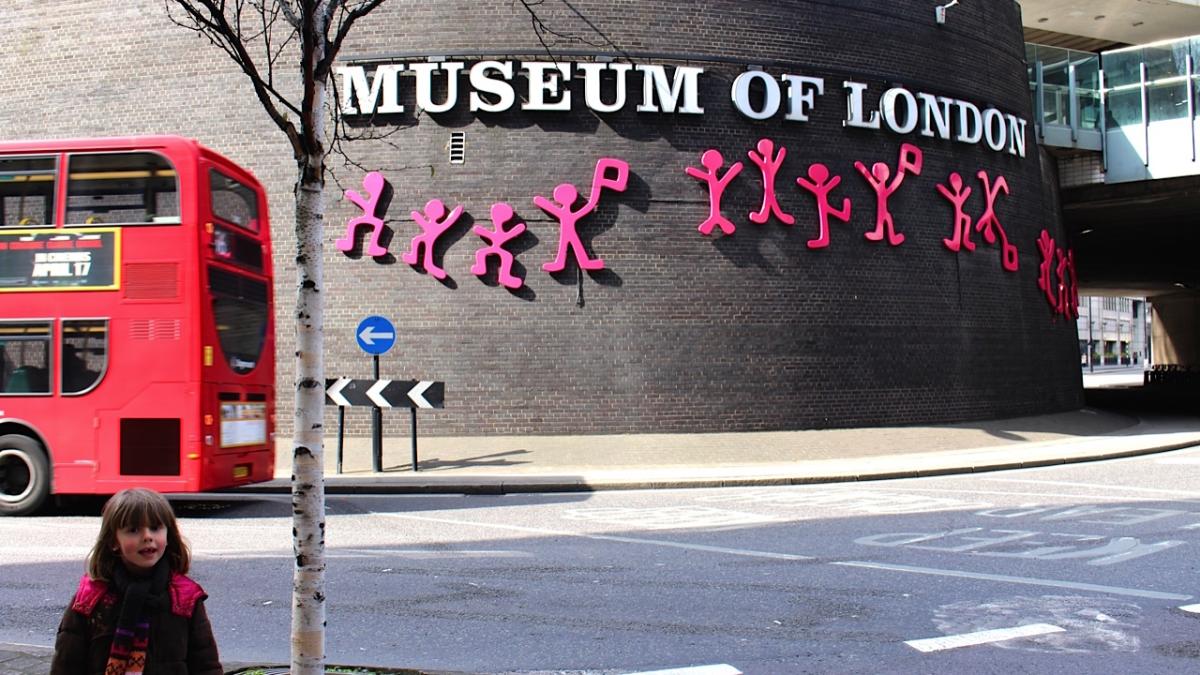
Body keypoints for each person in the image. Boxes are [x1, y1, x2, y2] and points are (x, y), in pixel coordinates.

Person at [50, 488, 222, 675]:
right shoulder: (91, 599)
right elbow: (67, 664)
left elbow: (205, 664)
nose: (147, 536)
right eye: (133, 530)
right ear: (113, 542)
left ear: (168, 534)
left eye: (155, 528)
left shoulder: (185, 599)